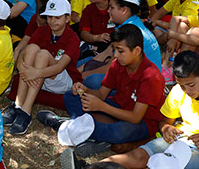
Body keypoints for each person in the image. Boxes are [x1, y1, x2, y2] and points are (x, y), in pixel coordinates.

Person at [86, 51, 199, 169]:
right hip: (180, 140)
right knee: (137, 156)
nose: (187, 91)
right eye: (182, 85)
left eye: (191, 85)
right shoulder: (179, 91)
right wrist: (167, 128)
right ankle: (89, 167)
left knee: (163, 164)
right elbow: (165, 122)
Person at [50, 25, 165, 158]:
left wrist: (101, 106)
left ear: (137, 51)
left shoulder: (150, 76)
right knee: (71, 96)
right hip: (117, 108)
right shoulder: (118, 64)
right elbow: (101, 94)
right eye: (114, 49)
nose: (115, 55)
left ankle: (69, 126)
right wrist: (85, 90)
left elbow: (135, 117)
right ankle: (96, 134)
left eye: (120, 51)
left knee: (120, 132)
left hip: (142, 122)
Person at [2, 0, 82, 135]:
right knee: (32, 47)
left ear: (67, 18)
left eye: (57, 17)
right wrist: (22, 67)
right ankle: (18, 105)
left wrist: (34, 73)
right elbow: (24, 53)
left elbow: (59, 67)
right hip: (39, 76)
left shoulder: (72, 38)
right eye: (50, 17)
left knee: (43, 54)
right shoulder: (42, 31)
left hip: (62, 79)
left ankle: (26, 112)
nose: (52, 21)